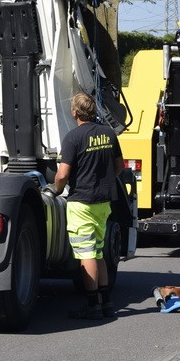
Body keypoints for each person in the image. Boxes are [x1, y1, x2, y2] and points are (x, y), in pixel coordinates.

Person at [52, 92, 124, 320]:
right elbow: (120, 166)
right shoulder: (108, 133)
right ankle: (106, 302)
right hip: (104, 202)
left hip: (82, 203)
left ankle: (92, 304)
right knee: (98, 251)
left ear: (75, 112)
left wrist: (55, 188)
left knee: (86, 254)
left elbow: (63, 174)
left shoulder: (73, 137)